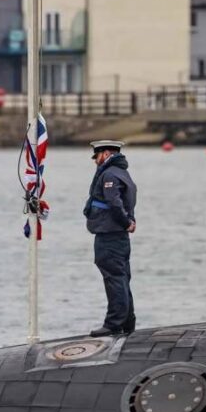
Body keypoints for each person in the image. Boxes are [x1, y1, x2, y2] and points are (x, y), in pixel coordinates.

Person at [83, 140, 137, 337]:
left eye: (96, 157)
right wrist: (130, 221)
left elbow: (114, 203)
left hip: (109, 234)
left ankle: (114, 323)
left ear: (105, 154)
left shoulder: (109, 174)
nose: (95, 161)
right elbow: (127, 202)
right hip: (118, 235)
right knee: (122, 277)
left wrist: (125, 222)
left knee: (114, 278)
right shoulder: (123, 173)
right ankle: (128, 322)